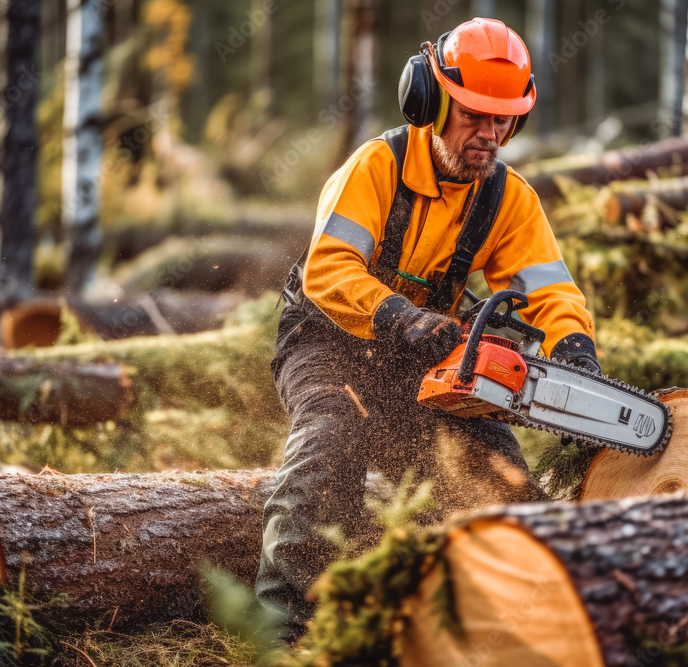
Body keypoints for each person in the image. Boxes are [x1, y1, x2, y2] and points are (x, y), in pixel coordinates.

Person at [256, 17, 600, 642]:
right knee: (330, 441)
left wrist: (574, 348)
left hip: (424, 350)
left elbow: (549, 288)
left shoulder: (508, 198)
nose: (489, 134)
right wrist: (403, 318)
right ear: (431, 100)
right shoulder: (376, 169)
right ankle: (280, 633)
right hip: (328, 340)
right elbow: (329, 272)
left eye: (503, 120)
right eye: (474, 115)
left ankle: (511, 624)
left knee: (495, 473)